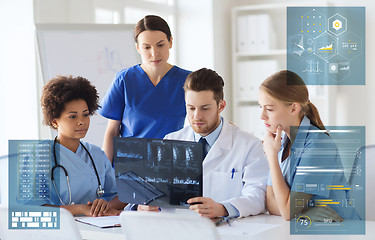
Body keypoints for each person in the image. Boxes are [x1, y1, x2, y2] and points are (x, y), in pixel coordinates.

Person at [139, 68, 268, 219]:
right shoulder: (170, 141)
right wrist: (145, 204)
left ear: (221, 106)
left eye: (205, 108)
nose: (196, 116)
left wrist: (223, 208)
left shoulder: (249, 145)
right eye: (191, 108)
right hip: (178, 228)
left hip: (226, 230)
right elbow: (152, 191)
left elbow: (258, 195)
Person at [259, 70, 359, 221]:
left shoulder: (318, 145)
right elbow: (271, 203)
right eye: (261, 107)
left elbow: (286, 211)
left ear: (293, 108)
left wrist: (272, 156)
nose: (262, 116)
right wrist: (304, 213)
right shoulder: (281, 141)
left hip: (338, 229)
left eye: (270, 109)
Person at [99, 15, 191, 163]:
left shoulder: (188, 81)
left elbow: (203, 120)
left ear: (170, 42)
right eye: (147, 47)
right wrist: (105, 174)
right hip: (129, 168)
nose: (154, 53)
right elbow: (112, 131)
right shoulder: (124, 79)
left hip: (170, 165)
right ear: (138, 48)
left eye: (160, 45)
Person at [40, 75, 126, 216]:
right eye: (73, 116)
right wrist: (79, 209)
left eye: (85, 115)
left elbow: (122, 196)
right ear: (55, 121)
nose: (82, 122)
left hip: (97, 228)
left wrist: (104, 206)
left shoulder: (96, 154)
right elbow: (31, 208)